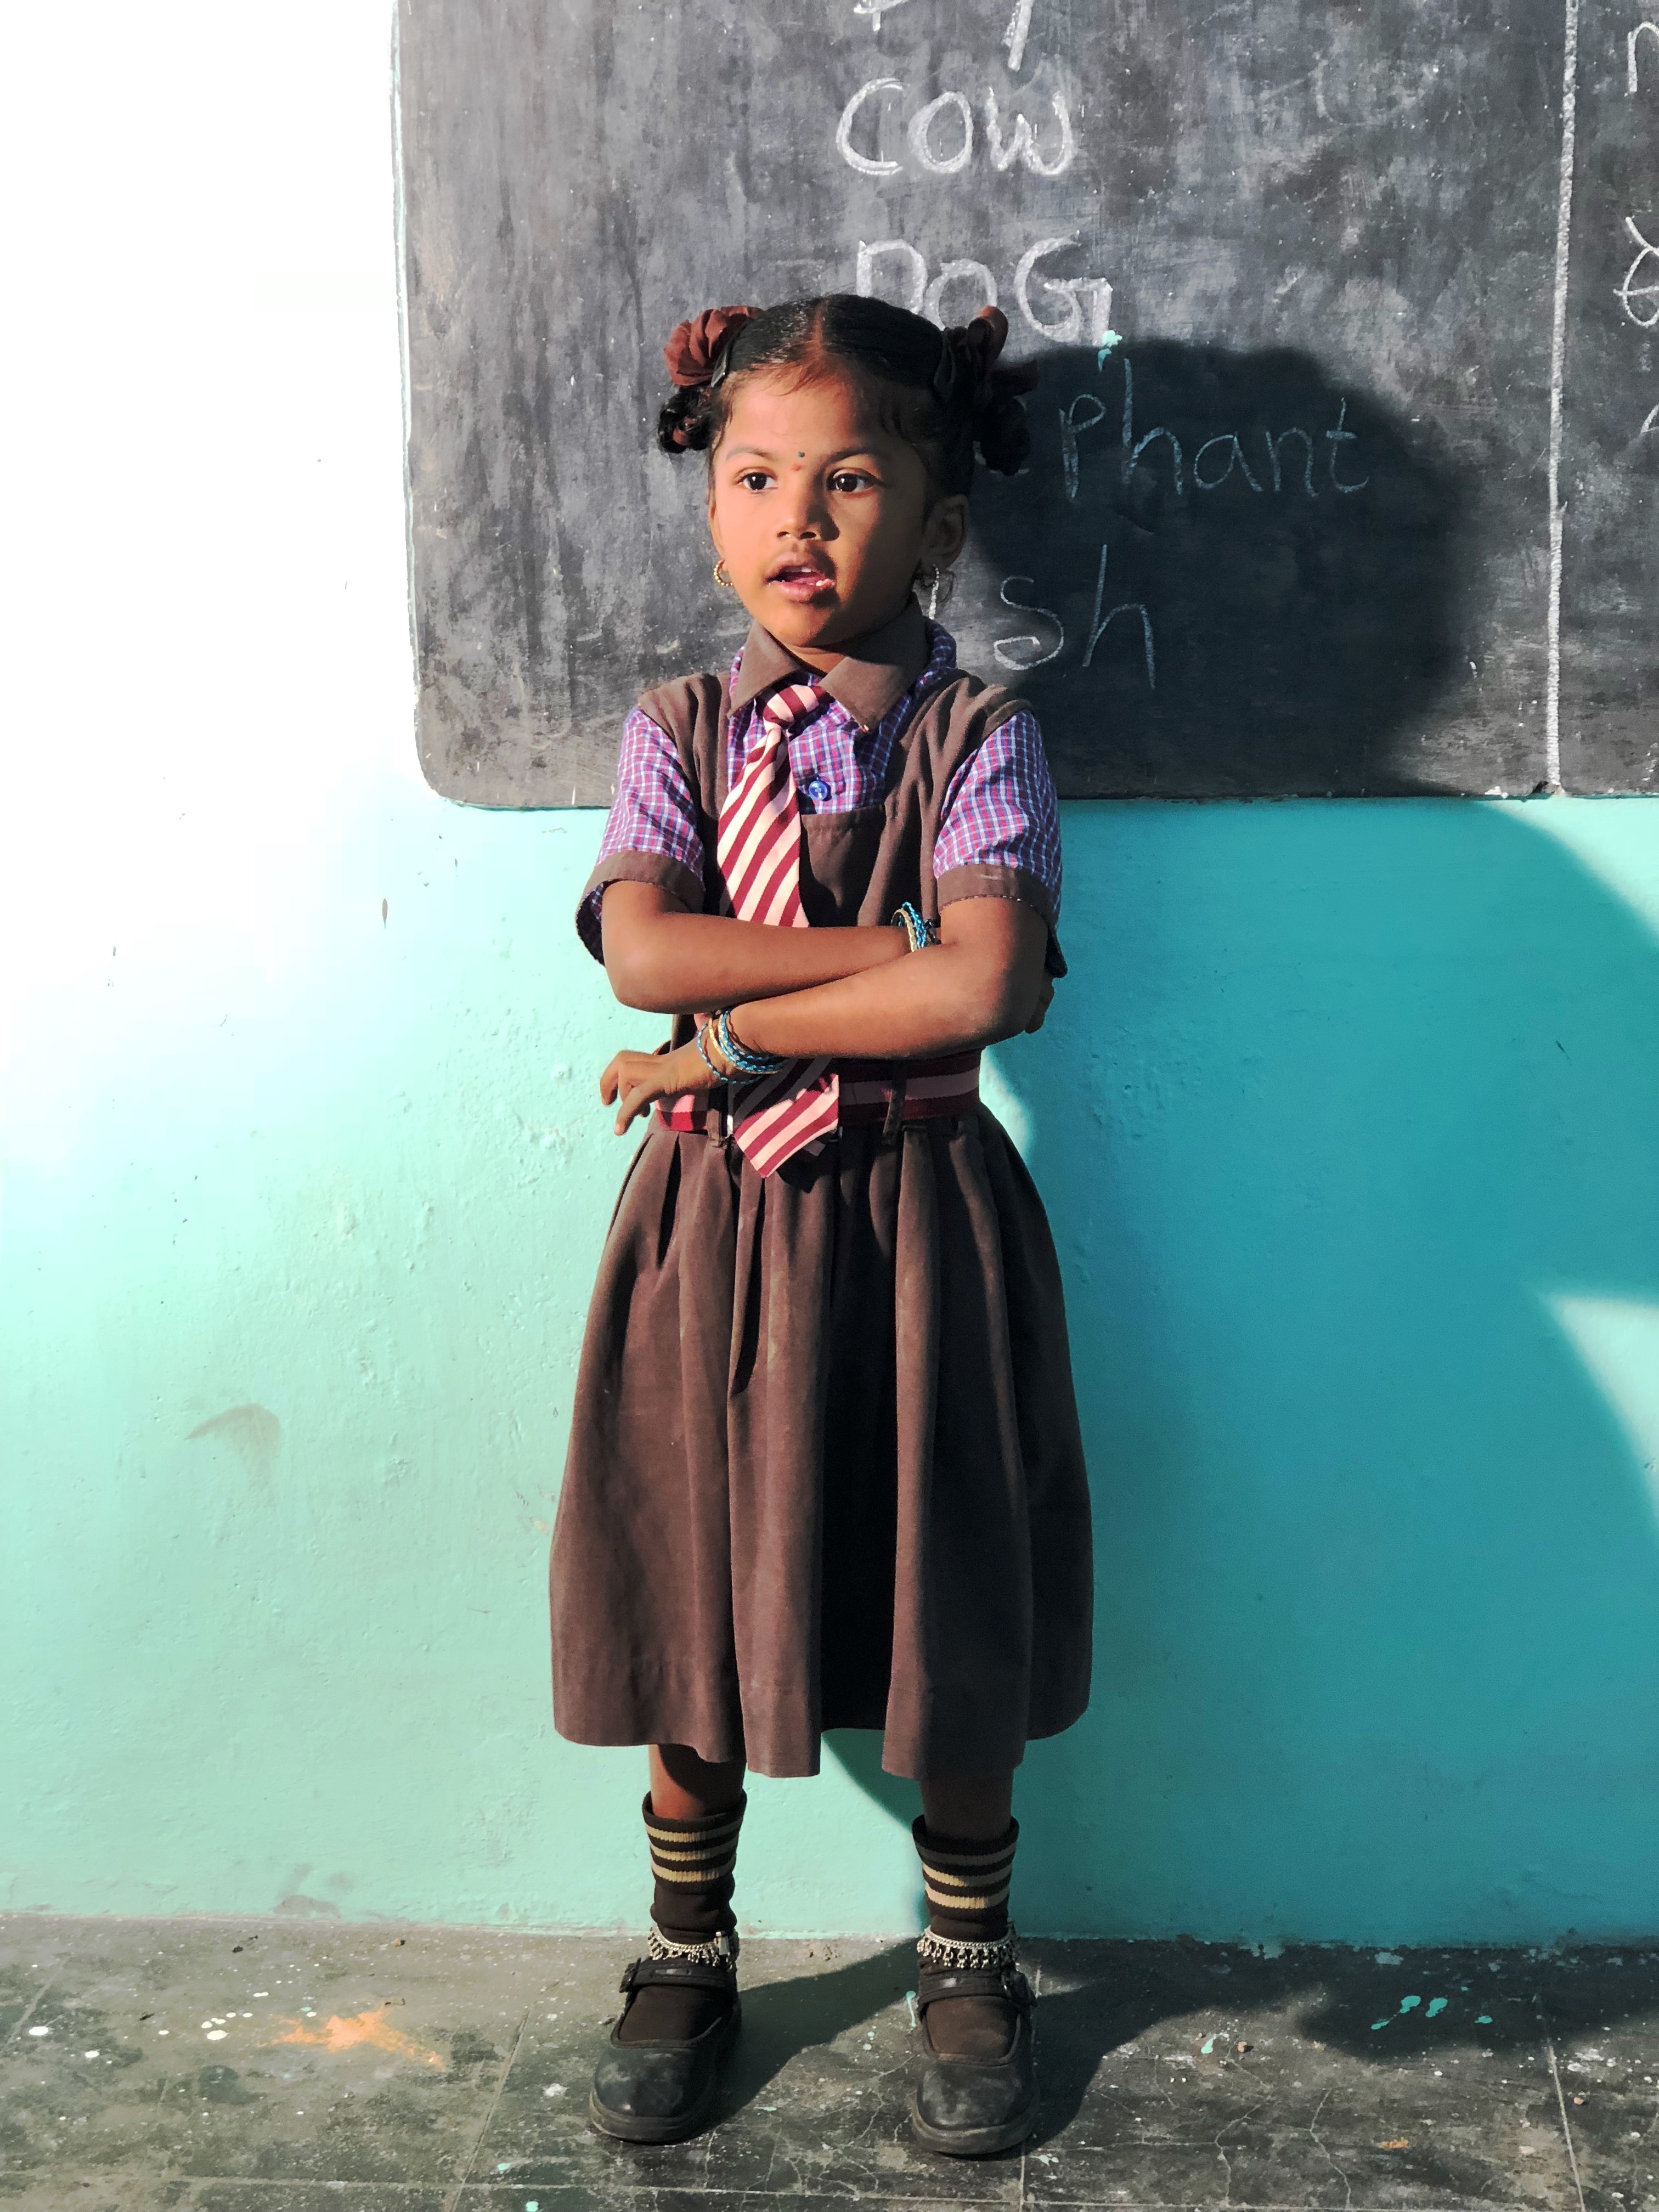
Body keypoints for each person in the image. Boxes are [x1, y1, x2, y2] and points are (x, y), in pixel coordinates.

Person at [549, 292, 1093, 2157]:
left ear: (937, 523)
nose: (800, 518)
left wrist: (737, 1034)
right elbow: (642, 952)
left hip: (926, 1231)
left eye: (853, 480)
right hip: (713, 1234)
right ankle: (687, 1949)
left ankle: (968, 1957)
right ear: (711, 505)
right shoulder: (677, 731)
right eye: (759, 476)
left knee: (945, 1583)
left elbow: (989, 993)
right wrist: (879, 953)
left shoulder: (982, 734)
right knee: (691, 1573)